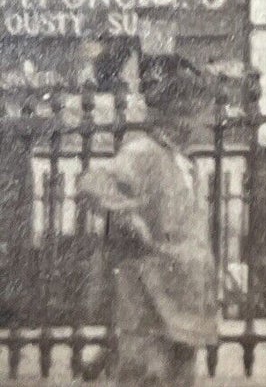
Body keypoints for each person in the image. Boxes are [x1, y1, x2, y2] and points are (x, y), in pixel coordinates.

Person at [77, 53, 218, 387]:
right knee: (146, 376)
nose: (209, 120)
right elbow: (91, 183)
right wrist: (128, 216)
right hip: (149, 303)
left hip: (184, 301)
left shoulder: (186, 164)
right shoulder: (145, 153)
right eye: (202, 112)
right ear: (181, 116)